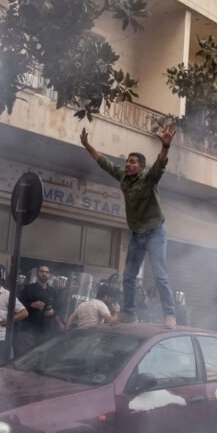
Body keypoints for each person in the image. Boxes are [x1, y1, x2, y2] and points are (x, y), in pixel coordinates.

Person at [80, 126, 178, 327]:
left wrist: (166, 145)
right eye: (127, 161)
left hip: (154, 232)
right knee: (128, 275)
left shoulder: (149, 179)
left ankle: (170, 314)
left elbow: (160, 164)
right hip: (136, 234)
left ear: (141, 167)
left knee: (159, 274)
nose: (128, 164)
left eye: (132, 162)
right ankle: (129, 313)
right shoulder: (123, 177)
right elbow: (103, 163)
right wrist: (87, 146)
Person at [17, 265, 62, 356]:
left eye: (46, 272)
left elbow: (58, 308)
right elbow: (18, 306)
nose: (44, 274)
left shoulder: (53, 291)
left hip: (46, 330)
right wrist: (31, 305)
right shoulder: (28, 288)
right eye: (42, 271)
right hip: (28, 330)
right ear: (37, 273)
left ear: (49, 275)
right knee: (26, 355)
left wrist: (53, 312)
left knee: (41, 356)